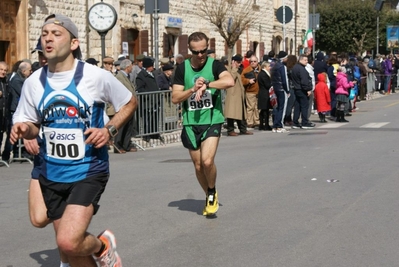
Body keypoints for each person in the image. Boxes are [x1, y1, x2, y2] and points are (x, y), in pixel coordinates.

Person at [10, 14, 137, 266]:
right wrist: (25, 130)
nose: (48, 38)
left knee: (68, 241)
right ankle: (99, 251)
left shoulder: (94, 75)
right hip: (51, 171)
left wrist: (109, 130)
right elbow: (34, 125)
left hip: (88, 170)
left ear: (74, 43)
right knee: (70, 251)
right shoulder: (34, 81)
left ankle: (102, 245)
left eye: (56, 34)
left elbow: (129, 101)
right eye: (45, 33)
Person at [171, 31, 234, 216]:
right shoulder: (182, 69)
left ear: (207, 48)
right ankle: (208, 194)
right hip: (191, 123)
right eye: (195, 51)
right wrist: (192, 89)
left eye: (203, 51)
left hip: (212, 120)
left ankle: (212, 190)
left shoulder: (214, 65)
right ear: (189, 50)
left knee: (207, 161)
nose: (200, 55)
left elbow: (229, 81)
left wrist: (208, 84)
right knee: (198, 166)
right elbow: (175, 97)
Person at [224, 55, 253, 135]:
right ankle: (230, 130)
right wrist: (233, 68)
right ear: (233, 62)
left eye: (240, 62)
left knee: (242, 113)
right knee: (231, 113)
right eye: (238, 62)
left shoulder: (239, 69)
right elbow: (231, 79)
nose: (239, 64)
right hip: (232, 94)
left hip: (239, 94)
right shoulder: (228, 69)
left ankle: (243, 129)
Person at [114, 59, 138, 153]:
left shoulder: (127, 76)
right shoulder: (119, 77)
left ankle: (126, 144)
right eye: (131, 66)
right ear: (127, 67)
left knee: (129, 126)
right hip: (123, 106)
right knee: (122, 127)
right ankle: (118, 146)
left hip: (130, 106)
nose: (132, 68)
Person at [291, 54, 315, 129]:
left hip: (297, 89)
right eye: (305, 60)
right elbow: (304, 81)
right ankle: (304, 122)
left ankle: (295, 122)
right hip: (302, 90)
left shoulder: (295, 67)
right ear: (300, 60)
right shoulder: (301, 69)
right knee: (304, 106)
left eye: (307, 60)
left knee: (297, 106)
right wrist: (308, 89)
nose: (306, 62)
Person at [271, 51, 290, 132]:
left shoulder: (275, 66)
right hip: (282, 89)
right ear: (284, 58)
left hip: (276, 88)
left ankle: (275, 125)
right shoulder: (282, 67)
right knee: (282, 107)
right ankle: (280, 125)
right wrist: (287, 90)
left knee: (278, 107)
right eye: (286, 57)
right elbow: (285, 80)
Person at [257, 61, 273, 131]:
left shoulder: (263, 74)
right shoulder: (263, 74)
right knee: (265, 110)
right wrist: (271, 83)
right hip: (264, 94)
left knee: (264, 110)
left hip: (264, 93)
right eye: (269, 66)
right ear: (265, 67)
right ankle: (265, 125)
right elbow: (267, 85)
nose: (270, 68)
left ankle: (263, 125)